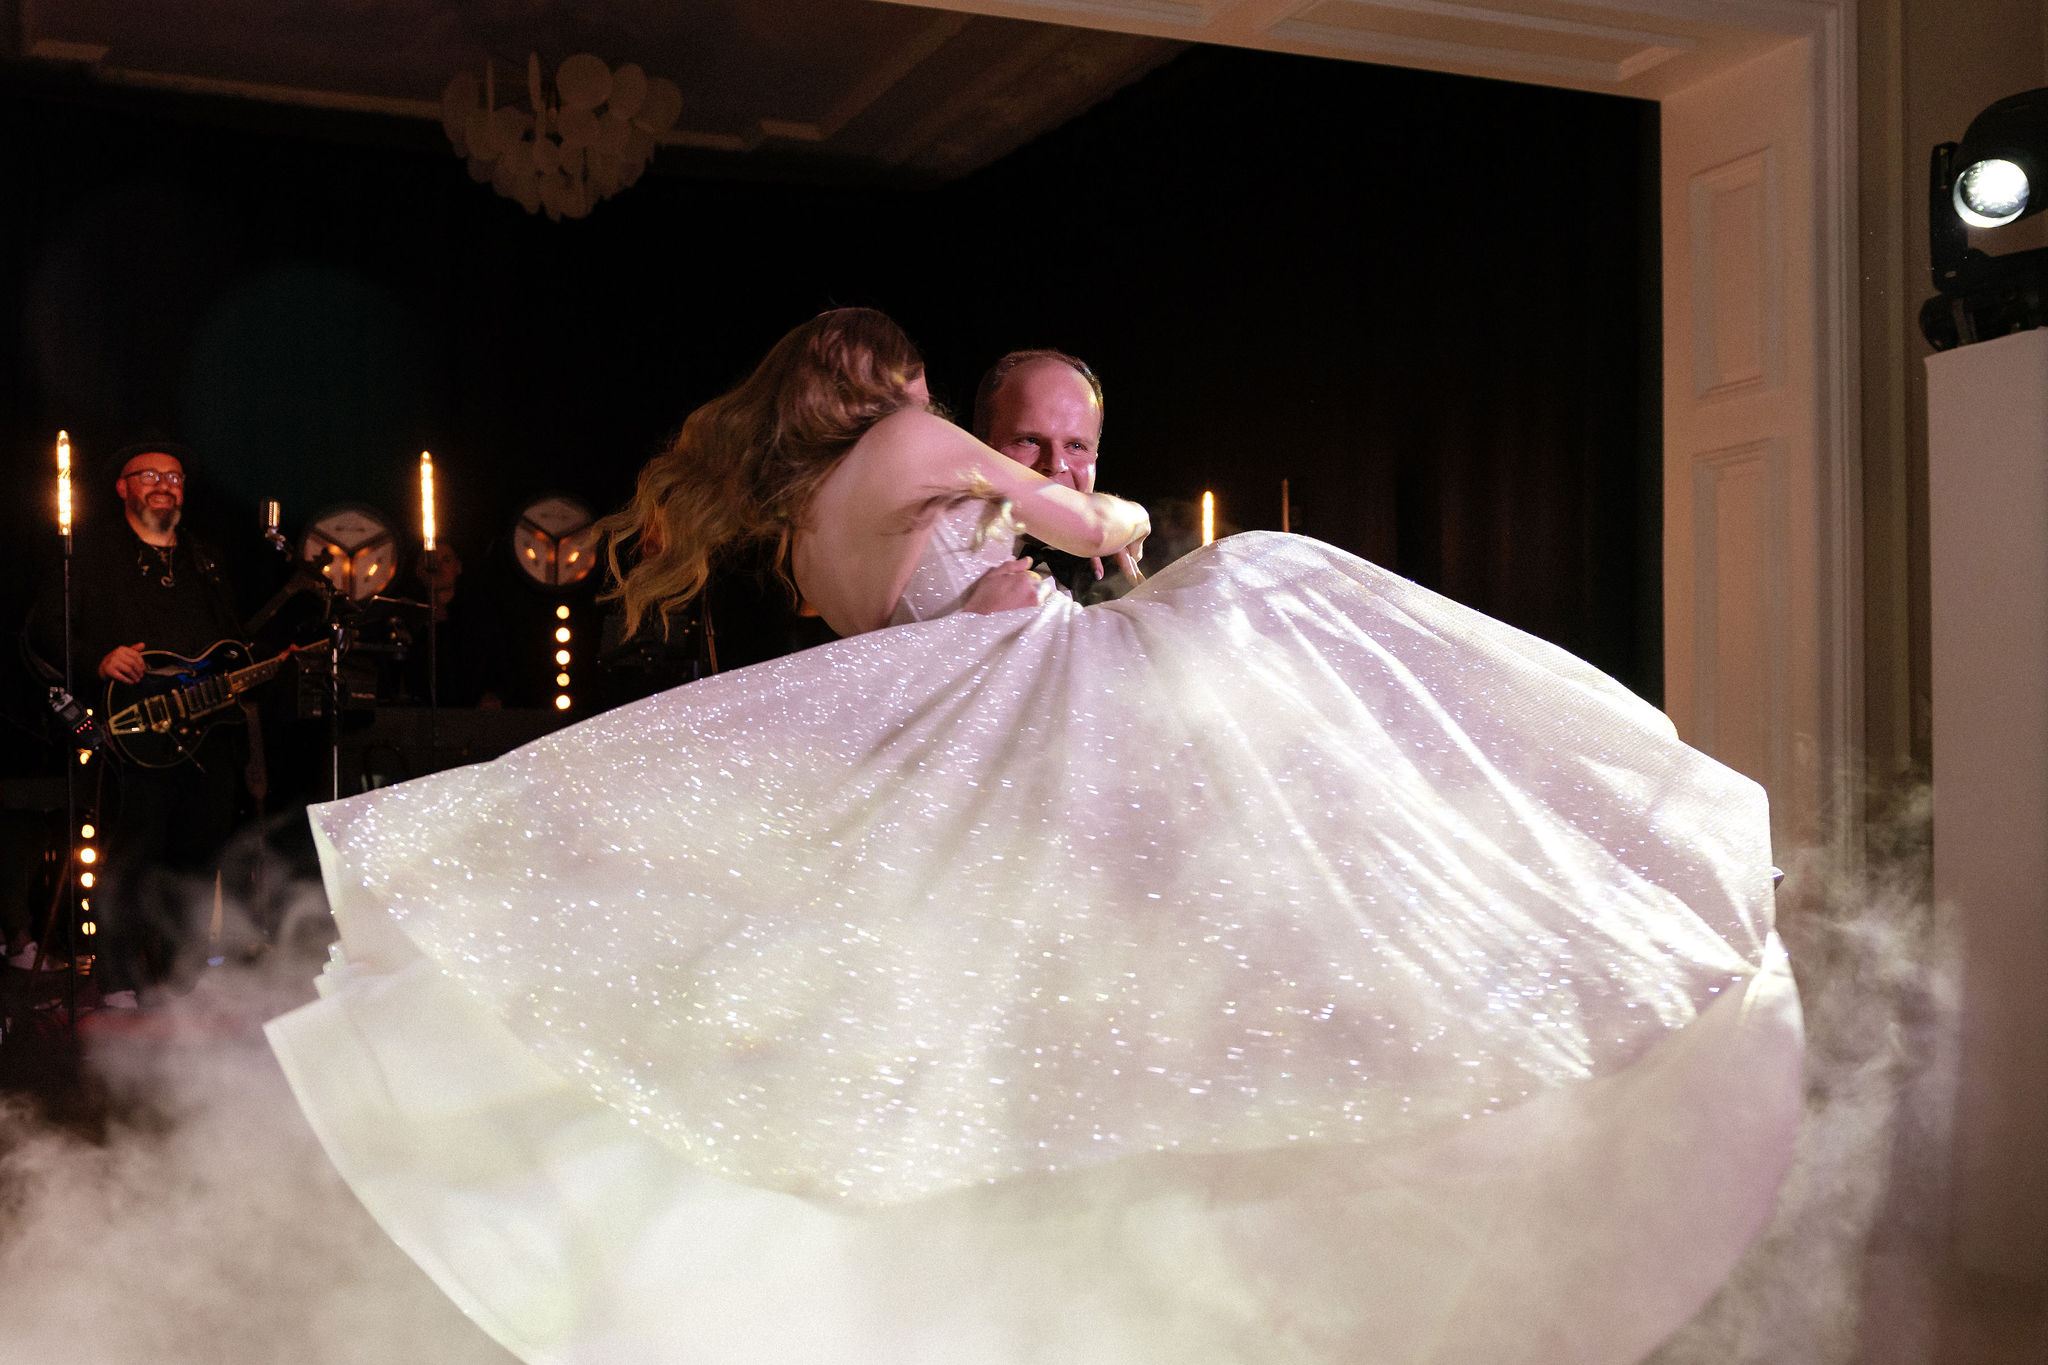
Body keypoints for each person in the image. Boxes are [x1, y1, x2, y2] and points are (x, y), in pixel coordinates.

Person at [266, 309, 1801, 1365]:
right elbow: (1097, 533)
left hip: (947, 763)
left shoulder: (805, 522)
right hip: (1025, 725)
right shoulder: (930, 452)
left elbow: (902, 626)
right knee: (1269, 586)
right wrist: (1088, 522)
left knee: (959, 1056)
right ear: (895, 387)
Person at [30, 442, 245, 1010]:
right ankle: (120, 975)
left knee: (200, 857)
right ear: (122, 487)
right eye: (148, 475)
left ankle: (183, 980)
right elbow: (47, 628)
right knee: (134, 849)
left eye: (173, 476)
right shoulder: (91, 556)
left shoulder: (206, 559)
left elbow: (232, 641)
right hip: (132, 731)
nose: (163, 484)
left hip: (205, 730)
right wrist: (99, 656)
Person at [971, 347, 1129, 606]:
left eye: (1076, 446)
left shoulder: (1123, 577)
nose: (1056, 464)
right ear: (979, 447)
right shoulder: (928, 553)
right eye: (1029, 440)